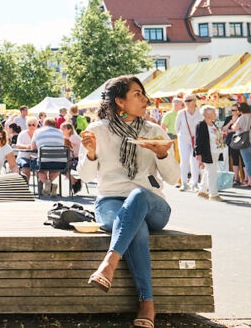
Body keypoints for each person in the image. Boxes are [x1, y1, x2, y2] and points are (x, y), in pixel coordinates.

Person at [78, 75, 178, 328]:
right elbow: (86, 177)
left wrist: (163, 154)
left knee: (138, 196)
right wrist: (90, 153)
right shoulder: (98, 130)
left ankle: (109, 263)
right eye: (137, 94)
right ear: (120, 102)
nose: (145, 99)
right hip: (111, 201)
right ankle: (147, 305)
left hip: (153, 203)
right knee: (137, 227)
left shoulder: (154, 131)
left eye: (143, 94)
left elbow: (174, 178)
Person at [193, 105, 225, 201]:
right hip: (207, 152)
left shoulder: (213, 124)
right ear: (207, 114)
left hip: (215, 151)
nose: (215, 114)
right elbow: (198, 141)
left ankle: (202, 190)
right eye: (214, 112)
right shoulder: (201, 125)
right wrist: (198, 154)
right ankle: (213, 194)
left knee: (208, 171)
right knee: (212, 172)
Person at [227, 102, 251, 188]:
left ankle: (250, 181)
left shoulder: (242, 117)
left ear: (240, 110)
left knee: (247, 162)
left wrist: (233, 123)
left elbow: (235, 127)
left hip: (244, 142)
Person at [30, 118, 67, 197]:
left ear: (44, 124)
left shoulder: (37, 131)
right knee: (56, 168)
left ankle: (47, 182)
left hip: (43, 162)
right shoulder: (60, 132)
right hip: (60, 163)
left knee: (36, 167)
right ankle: (50, 183)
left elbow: (33, 147)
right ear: (54, 125)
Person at [174, 95, 204, 191]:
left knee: (195, 161)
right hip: (184, 139)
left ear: (194, 101)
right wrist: (182, 135)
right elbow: (176, 127)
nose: (186, 102)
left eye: (189, 100)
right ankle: (184, 182)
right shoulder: (181, 113)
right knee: (184, 160)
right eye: (185, 101)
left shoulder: (200, 113)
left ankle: (195, 183)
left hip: (197, 140)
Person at [13, 116, 39, 182]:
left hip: (36, 157)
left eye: (33, 125)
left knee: (40, 169)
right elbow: (18, 145)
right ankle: (26, 187)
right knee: (26, 167)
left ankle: (42, 188)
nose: (31, 127)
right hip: (24, 157)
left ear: (37, 125)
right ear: (26, 125)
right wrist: (27, 146)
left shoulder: (39, 134)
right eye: (29, 125)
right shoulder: (23, 134)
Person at [61, 122, 84, 194]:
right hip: (73, 159)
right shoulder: (70, 137)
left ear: (69, 129)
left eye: (63, 129)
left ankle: (74, 181)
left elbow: (66, 150)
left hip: (77, 161)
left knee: (60, 167)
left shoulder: (73, 138)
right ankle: (74, 181)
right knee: (60, 167)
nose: (61, 130)